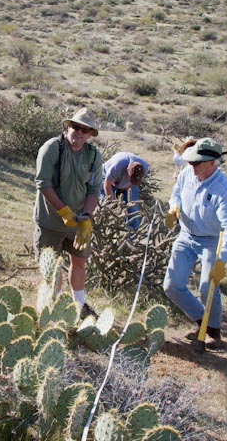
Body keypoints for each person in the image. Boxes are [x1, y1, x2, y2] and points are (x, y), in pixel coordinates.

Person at [162, 137, 227, 347]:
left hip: (210, 240)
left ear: (212, 163)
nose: (192, 166)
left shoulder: (224, 190)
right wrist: (174, 207)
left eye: (196, 163)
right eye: (190, 162)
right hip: (186, 235)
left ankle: (213, 331)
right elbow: (176, 194)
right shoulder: (187, 173)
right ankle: (201, 321)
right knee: (172, 286)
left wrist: (221, 260)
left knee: (207, 286)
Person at [34, 107, 103, 317]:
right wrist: (63, 211)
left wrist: (86, 217)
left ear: (90, 134)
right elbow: (43, 183)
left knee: (79, 262)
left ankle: (79, 306)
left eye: (85, 129)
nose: (79, 132)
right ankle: (51, 308)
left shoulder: (93, 155)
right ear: (68, 126)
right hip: (50, 222)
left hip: (78, 222)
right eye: (75, 126)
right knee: (50, 269)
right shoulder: (52, 148)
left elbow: (93, 189)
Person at [101, 151, 149, 229]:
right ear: (127, 170)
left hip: (121, 181)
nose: (131, 182)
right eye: (131, 179)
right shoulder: (117, 166)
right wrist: (113, 205)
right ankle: (102, 228)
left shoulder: (144, 168)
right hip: (105, 179)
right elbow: (107, 186)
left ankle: (132, 235)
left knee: (133, 207)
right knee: (103, 205)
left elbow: (134, 183)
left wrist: (126, 188)